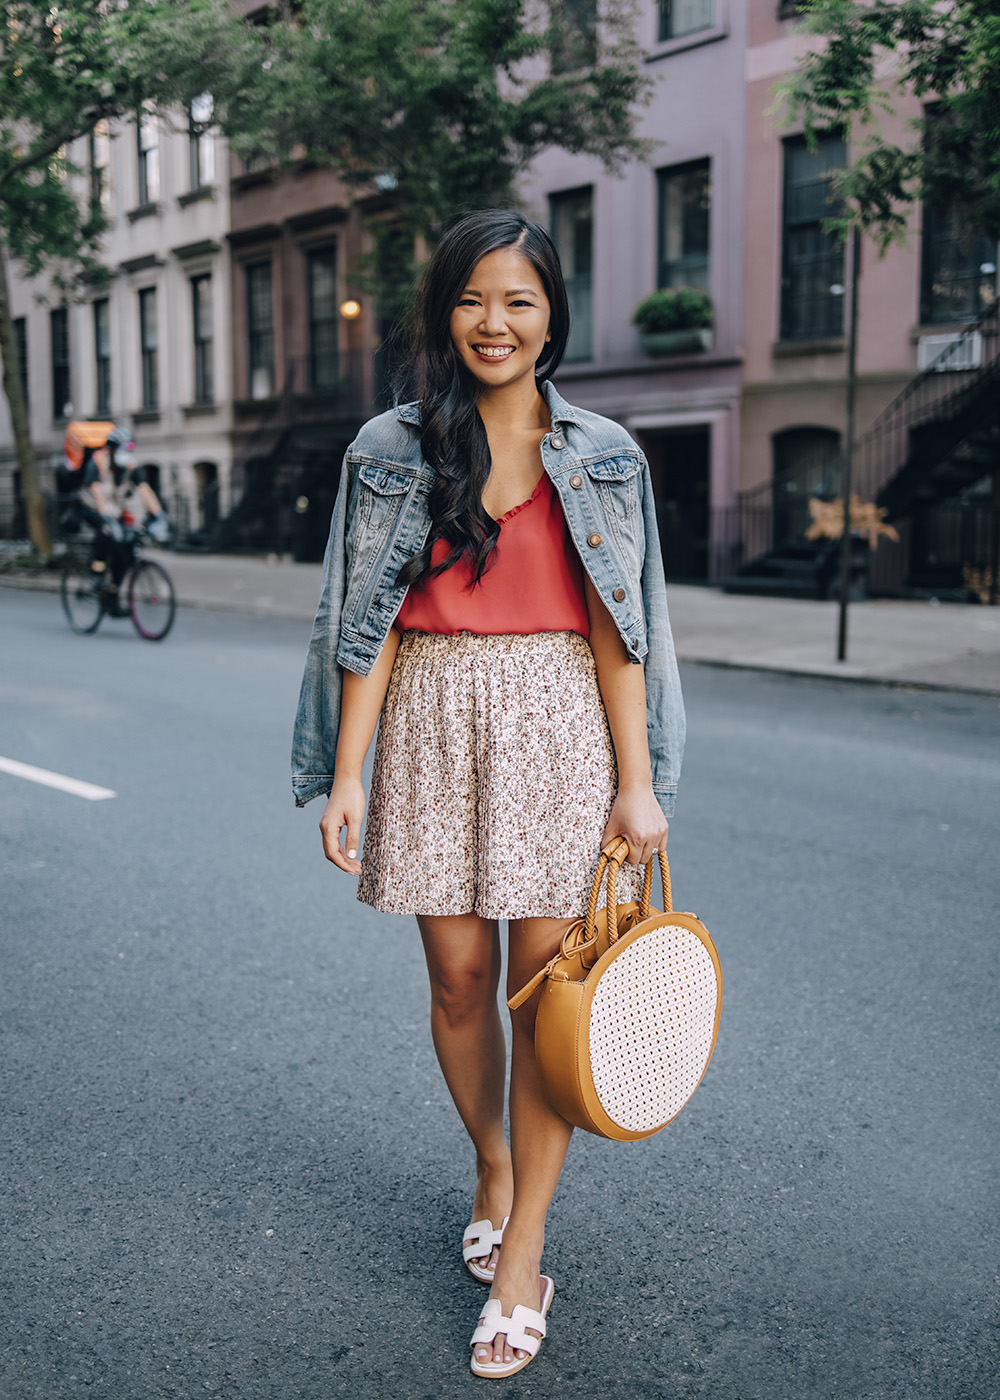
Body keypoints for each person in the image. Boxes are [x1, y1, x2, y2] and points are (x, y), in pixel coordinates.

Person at [291, 209, 685, 1378]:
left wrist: (639, 781)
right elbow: (363, 628)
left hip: (560, 722)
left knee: (539, 995)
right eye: (472, 298)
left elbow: (627, 632)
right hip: (427, 718)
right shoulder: (390, 446)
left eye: (517, 299)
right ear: (443, 312)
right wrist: (346, 771)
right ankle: (492, 1161)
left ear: (551, 312)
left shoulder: (604, 452)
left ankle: (523, 1255)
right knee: (460, 979)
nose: (494, 321)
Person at [71, 426, 169, 610]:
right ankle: (97, 573)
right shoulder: (98, 462)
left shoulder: (131, 466)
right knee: (106, 532)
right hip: (90, 507)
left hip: (114, 509)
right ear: (112, 449)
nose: (126, 453)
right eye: (123, 449)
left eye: (129, 449)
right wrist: (106, 517)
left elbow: (145, 490)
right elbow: (96, 491)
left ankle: (113, 595)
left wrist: (158, 515)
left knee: (126, 549)